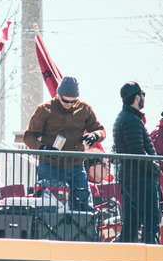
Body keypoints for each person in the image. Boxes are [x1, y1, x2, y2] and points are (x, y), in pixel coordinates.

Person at [21, 76, 104, 211]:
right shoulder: (44, 109)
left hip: (76, 165)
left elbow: (100, 130)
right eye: (65, 100)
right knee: (51, 206)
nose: (68, 104)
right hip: (50, 165)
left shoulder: (85, 109)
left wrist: (95, 135)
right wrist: (42, 148)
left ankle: (84, 231)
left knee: (83, 204)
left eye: (72, 102)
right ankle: (48, 232)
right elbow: (29, 136)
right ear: (58, 94)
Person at [112, 81, 160, 243]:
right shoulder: (131, 120)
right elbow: (137, 152)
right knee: (151, 220)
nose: (144, 98)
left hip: (131, 178)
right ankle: (150, 259)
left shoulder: (126, 118)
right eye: (143, 94)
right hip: (139, 180)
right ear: (137, 97)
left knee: (131, 225)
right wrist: (155, 168)